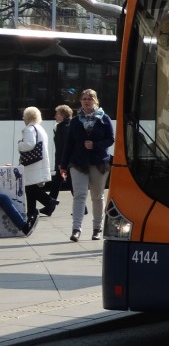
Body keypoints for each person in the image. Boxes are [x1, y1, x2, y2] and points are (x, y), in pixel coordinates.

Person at [61, 89, 114, 243]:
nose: (86, 101)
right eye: (84, 99)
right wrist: (63, 165)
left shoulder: (104, 118)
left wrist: (95, 145)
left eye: (89, 99)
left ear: (95, 101)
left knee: (97, 196)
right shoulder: (76, 121)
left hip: (99, 163)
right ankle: (76, 229)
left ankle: (97, 228)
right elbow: (69, 144)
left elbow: (110, 139)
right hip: (78, 163)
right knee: (79, 195)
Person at [17, 106, 55, 217]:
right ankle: (32, 210)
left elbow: (29, 145)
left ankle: (49, 201)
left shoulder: (29, 129)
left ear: (27, 117)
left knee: (29, 187)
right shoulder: (40, 128)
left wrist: (20, 144)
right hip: (39, 162)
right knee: (30, 187)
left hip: (32, 163)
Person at [50, 104, 72, 209]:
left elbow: (62, 147)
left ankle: (49, 206)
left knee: (69, 184)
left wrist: (61, 163)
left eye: (57, 114)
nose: (55, 116)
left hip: (63, 162)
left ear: (63, 115)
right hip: (64, 161)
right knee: (56, 183)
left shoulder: (63, 128)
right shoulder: (65, 126)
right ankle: (49, 206)